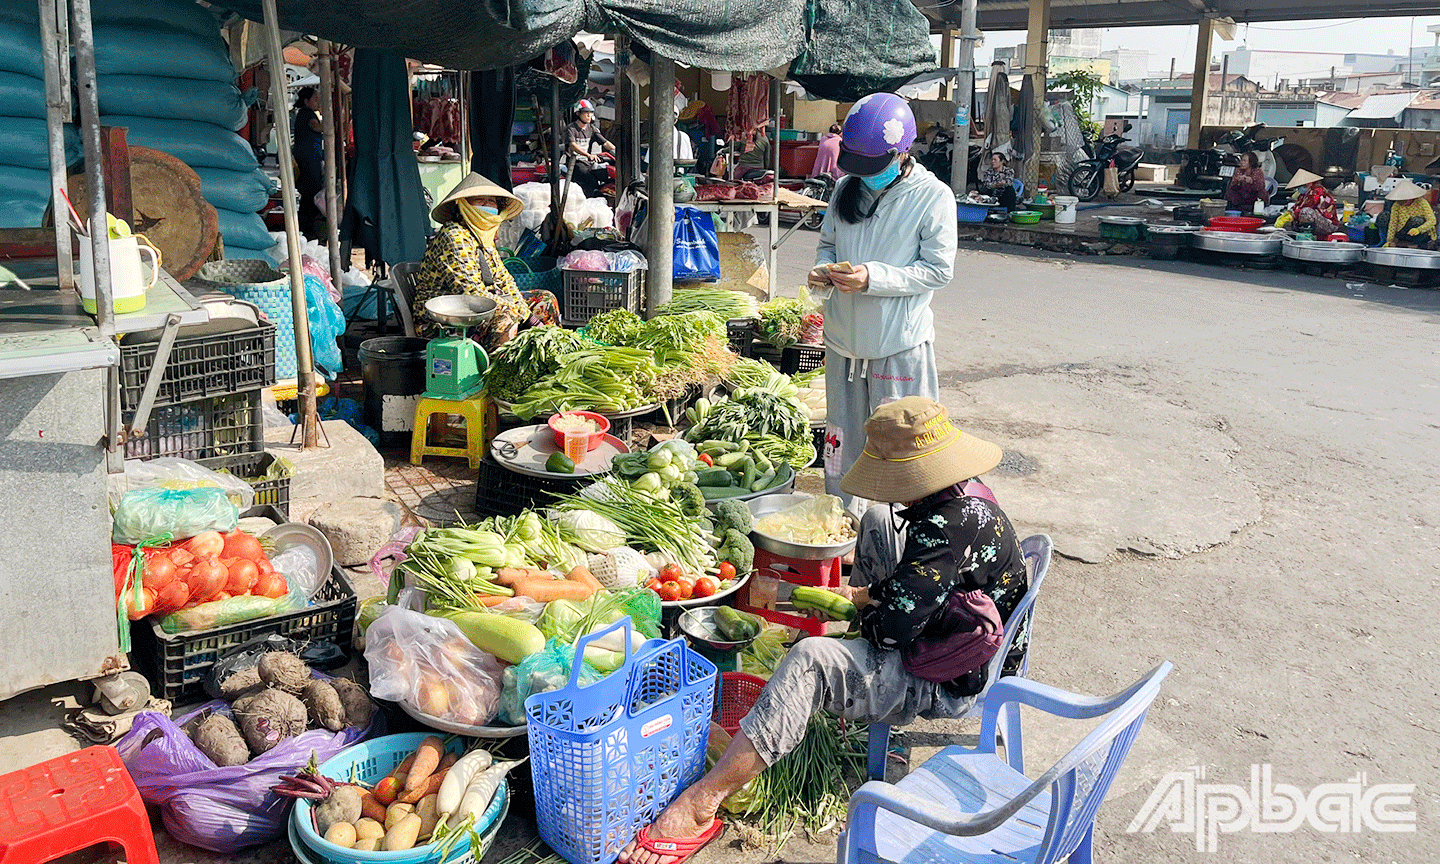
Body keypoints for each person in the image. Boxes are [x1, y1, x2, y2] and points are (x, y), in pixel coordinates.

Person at [618, 397, 1029, 864]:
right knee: (876, 522)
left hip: (954, 676)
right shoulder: (963, 493)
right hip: (957, 625)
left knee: (810, 659)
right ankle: (836, 671)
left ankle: (702, 801)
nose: (889, 491)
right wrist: (877, 597)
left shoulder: (944, 529)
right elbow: (922, 587)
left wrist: (862, 607)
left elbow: (890, 633)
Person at [807, 92, 957, 510]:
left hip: (898, 347)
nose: (864, 175)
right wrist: (824, 270)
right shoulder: (843, 190)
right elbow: (828, 244)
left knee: (903, 449)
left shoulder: (933, 197)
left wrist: (873, 277)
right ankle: (842, 526)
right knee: (840, 447)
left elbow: (938, 270)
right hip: (843, 346)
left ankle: (901, 537)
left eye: (875, 165)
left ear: (902, 152)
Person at [412, 173, 560, 348]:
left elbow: (505, 281)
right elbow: (471, 294)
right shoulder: (454, 235)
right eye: (479, 199)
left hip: (479, 309)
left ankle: (551, 349)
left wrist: (527, 314)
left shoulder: (483, 237)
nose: (487, 205)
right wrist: (525, 317)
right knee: (506, 316)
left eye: (492, 201)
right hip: (442, 319)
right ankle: (501, 372)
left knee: (545, 299)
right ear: (464, 205)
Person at [291, 86, 324, 239]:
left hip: (310, 158)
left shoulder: (306, 114)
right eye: (316, 99)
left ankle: (306, 227)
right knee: (311, 192)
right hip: (309, 160)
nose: (318, 102)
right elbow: (319, 127)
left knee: (309, 193)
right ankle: (308, 229)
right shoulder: (307, 114)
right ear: (306, 101)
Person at [565, 99, 616, 198]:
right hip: (575, 162)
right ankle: (590, 199)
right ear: (578, 113)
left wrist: (617, 151)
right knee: (590, 179)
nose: (589, 115)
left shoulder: (592, 128)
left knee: (605, 174)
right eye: (586, 112)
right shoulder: (571, 128)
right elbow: (573, 145)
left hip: (588, 162)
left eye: (591, 112)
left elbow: (605, 142)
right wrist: (588, 155)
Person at [1379, 179, 1437, 248]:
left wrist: (1419, 229)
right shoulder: (1396, 205)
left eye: (1405, 201)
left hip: (1419, 232)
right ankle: (1386, 241)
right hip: (1402, 231)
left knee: (1417, 220)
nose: (1402, 204)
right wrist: (1389, 240)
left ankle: (1414, 243)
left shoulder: (1422, 203)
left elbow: (1432, 220)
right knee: (1383, 217)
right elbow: (1393, 222)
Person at [1286, 169, 1340, 237]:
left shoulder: (1318, 191)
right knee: (1289, 222)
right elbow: (1297, 206)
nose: (1299, 188)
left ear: (1308, 184)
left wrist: (1293, 214)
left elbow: (1310, 205)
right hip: (1317, 221)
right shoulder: (1303, 195)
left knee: (1306, 212)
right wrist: (1288, 214)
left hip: (1329, 223)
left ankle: (1307, 234)